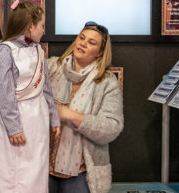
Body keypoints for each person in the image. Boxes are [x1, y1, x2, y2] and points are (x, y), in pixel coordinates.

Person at [0, 2, 60, 193]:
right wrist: (13, 126)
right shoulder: (2, 51)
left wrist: (54, 117)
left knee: (36, 169)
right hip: (16, 117)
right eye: (41, 25)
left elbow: (46, 88)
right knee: (10, 171)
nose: (43, 30)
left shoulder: (38, 50)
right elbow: (3, 93)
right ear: (30, 26)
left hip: (38, 118)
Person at [47, 21, 123, 193]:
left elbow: (112, 127)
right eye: (82, 38)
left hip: (81, 174)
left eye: (91, 42)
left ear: (100, 52)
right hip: (43, 167)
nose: (83, 43)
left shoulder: (106, 81)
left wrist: (70, 115)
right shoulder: (52, 67)